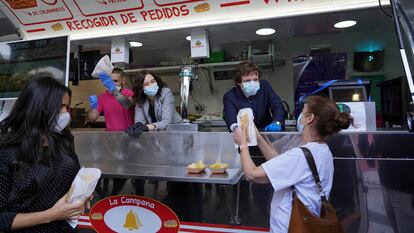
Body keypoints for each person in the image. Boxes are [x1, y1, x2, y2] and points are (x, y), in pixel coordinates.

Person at [233, 95, 353, 233]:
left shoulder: (300, 155)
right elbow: (281, 164)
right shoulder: (322, 150)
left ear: (310, 118)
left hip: (289, 226)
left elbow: (252, 174)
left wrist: (243, 145)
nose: (300, 114)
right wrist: (259, 138)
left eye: (304, 110)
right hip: (307, 222)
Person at [0, 74, 91, 232]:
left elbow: (74, 178)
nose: (66, 114)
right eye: (61, 107)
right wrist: (53, 214)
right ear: (39, 107)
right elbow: (2, 218)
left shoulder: (64, 141)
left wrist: (82, 192)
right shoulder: (7, 153)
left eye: (67, 107)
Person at [88, 68, 134, 197]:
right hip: (109, 140)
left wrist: (114, 90)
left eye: (115, 81)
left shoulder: (129, 93)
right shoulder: (102, 97)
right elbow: (92, 118)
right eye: (109, 82)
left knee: (122, 172)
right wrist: (93, 107)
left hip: (127, 139)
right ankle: (104, 197)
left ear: (123, 80)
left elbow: (127, 105)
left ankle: (114, 196)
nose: (112, 84)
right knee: (105, 170)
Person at [223, 61, 286, 132]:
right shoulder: (230, 96)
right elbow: (230, 118)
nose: (252, 83)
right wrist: (236, 128)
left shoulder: (264, 86)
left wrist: (277, 121)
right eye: (247, 81)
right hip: (246, 134)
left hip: (266, 131)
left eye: (255, 79)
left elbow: (277, 104)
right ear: (239, 82)